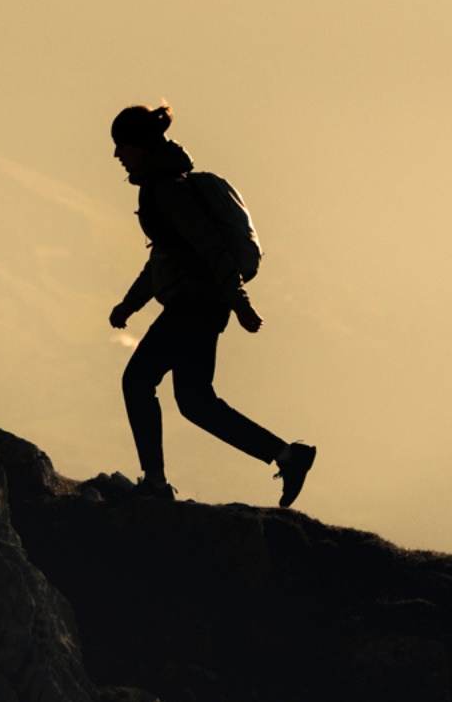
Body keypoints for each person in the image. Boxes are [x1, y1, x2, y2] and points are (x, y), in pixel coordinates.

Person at [105, 104, 317, 506]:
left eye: (122, 146)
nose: (117, 154)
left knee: (138, 381)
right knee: (196, 402)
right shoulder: (163, 185)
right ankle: (289, 456)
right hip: (203, 305)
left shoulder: (168, 189)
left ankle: (155, 484)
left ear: (141, 146)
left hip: (194, 305)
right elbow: (164, 259)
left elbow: (210, 246)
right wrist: (129, 305)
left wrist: (241, 303)